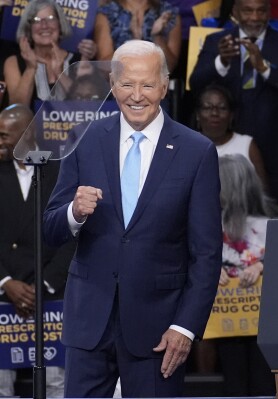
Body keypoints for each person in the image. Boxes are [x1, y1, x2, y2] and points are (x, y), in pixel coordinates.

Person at [42, 40, 222, 397]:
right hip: (89, 324)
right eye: (126, 84)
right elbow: (50, 228)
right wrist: (74, 213)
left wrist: (185, 327)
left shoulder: (196, 151)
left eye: (147, 84)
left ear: (165, 85)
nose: (136, 95)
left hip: (159, 332)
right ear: (111, 83)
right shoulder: (84, 138)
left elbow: (206, 253)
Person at [190, 0, 278, 208]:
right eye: (247, 10)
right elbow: (195, 85)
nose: (254, 17)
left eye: (261, 11)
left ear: (269, 12)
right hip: (228, 145)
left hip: (277, 147)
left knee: (274, 216)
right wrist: (222, 63)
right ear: (235, 11)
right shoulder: (216, 42)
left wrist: (265, 69)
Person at [0, 104, 74, 397]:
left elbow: (72, 235)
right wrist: (6, 283)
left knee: (56, 385)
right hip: (4, 295)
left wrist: (42, 285)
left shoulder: (59, 171)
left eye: (5, 135)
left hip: (49, 295)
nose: (0, 141)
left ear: (28, 133)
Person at [215, 154, 278, 396]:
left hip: (262, 318)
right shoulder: (207, 223)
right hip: (225, 318)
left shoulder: (272, 222)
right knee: (232, 377)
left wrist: (262, 265)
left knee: (263, 376)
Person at [3, 0, 97, 107]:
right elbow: (17, 112)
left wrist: (60, 74)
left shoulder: (81, 61)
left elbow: (87, 108)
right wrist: (30, 69)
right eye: (37, 20)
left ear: (60, 24)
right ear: (29, 28)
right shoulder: (13, 62)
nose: (44, 25)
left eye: (50, 19)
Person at [195, 84, 268, 187]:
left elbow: (262, 194)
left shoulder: (247, 145)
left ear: (231, 116)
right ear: (198, 115)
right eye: (207, 107)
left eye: (222, 108)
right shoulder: (187, 145)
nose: (215, 113)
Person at [94, 0, 182, 74]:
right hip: (118, 89)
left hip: (154, 90)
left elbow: (169, 67)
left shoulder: (168, 14)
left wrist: (158, 37)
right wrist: (133, 43)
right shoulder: (107, 12)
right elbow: (104, 67)